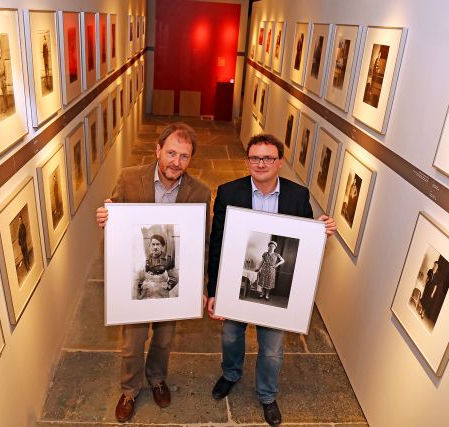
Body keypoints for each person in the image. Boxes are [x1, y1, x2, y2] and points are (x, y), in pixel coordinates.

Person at [206, 133, 336, 427]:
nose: (260, 163)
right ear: (247, 160)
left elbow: (303, 241)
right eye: (254, 157)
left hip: (277, 290)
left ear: (279, 162)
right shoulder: (229, 192)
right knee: (229, 336)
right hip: (233, 286)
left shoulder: (297, 195)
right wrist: (213, 290)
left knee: (273, 348)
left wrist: (319, 230)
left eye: (267, 158)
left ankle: (267, 395)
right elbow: (217, 244)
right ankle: (230, 374)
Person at [96, 122, 211, 423]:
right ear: (158, 149)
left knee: (164, 338)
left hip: (173, 284)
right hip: (137, 279)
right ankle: (130, 390)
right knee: (132, 341)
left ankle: (157, 378)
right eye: (171, 153)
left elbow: (204, 243)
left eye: (184, 156)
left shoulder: (200, 192)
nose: (176, 162)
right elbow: (116, 217)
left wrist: (201, 285)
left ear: (190, 159)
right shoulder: (130, 177)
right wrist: (107, 216)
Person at [136, 234, 177, 299]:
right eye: (153, 244)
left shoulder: (167, 260)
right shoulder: (145, 260)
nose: (155, 247)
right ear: (150, 246)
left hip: (161, 295)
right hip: (146, 295)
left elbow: (175, 277)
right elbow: (138, 278)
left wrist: (168, 286)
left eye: (158, 244)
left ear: (162, 246)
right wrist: (141, 286)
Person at [0, 43, 8, 113]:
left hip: (3, 78)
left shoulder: (3, 59)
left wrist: (5, 76)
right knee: (3, 92)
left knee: (4, 93)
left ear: (1, 50)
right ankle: (6, 105)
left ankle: (5, 108)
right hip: (0, 78)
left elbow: (5, 68)